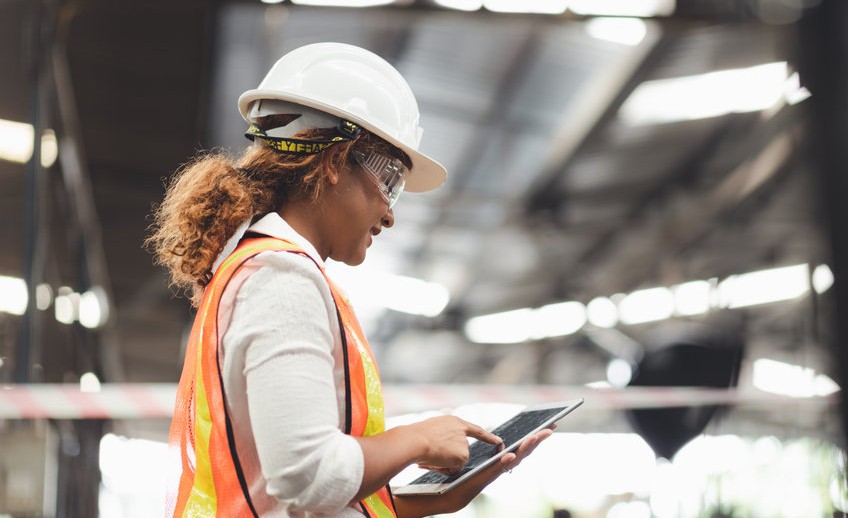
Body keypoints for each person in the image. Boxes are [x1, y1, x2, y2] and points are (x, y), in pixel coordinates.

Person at [147, 42, 552, 518]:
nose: (390, 213)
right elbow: (308, 477)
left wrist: (421, 503)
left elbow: (279, 493)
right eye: (391, 181)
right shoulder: (281, 278)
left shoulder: (258, 269)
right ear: (336, 161)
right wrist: (417, 438)